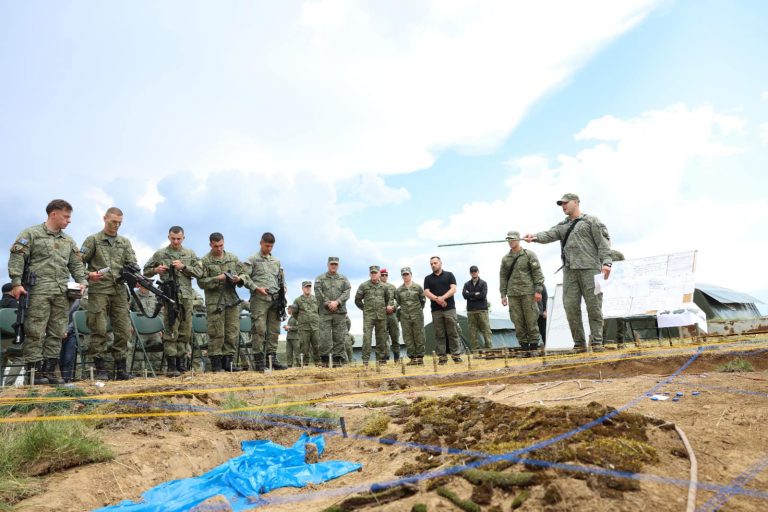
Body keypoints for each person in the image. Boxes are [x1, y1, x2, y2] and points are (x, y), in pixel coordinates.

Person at [8, 199, 87, 384]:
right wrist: (16, 283)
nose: (69, 221)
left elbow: (76, 264)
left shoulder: (68, 240)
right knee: (35, 331)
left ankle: (49, 371)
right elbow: (17, 257)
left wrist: (82, 281)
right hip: (37, 292)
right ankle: (35, 374)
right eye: (66, 217)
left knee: (58, 332)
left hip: (62, 293)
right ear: (54, 214)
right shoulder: (31, 234)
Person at [523, 193, 612, 352]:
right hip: (570, 272)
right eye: (561, 204)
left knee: (594, 307)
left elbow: (603, 243)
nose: (563, 206)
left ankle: (597, 342)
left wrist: (606, 263)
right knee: (570, 307)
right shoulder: (562, 225)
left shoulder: (591, 221)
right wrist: (534, 237)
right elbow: (549, 234)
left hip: (590, 269)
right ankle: (579, 344)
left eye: (566, 203)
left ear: (576, 202)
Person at [81, 206, 137, 380]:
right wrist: (88, 276)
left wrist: (133, 272)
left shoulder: (124, 242)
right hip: (99, 290)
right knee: (99, 328)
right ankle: (100, 367)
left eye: (120, 223)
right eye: (113, 222)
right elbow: (76, 263)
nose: (116, 225)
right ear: (104, 218)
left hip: (119, 290)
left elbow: (132, 263)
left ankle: (121, 368)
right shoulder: (93, 240)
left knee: (123, 330)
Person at [143, 226, 202, 376]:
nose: (176, 241)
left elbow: (200, 272)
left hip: (186, 297)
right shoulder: (161, 253)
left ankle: (181, 362)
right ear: (169, 237)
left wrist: (184, 267)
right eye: (173, 238)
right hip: (169, 296)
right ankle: (171, 364)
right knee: (170, 330)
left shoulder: (190, 253)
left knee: (185, 330)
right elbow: (145, 270)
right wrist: (156, 270)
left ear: (183, 238)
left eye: (179, 238)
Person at [197, 232, 247, 373]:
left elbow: (244, 274)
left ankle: (228, 362)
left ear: (224, 243)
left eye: (221, 245)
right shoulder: (205, 261)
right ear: (210, 244)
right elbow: (201, 282)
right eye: (215, 246)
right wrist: (217, 278)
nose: (219, 248)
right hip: (215, 302)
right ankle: (216, 364)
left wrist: (238, 279)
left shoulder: (232, 258)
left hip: (231, 300)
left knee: (232, 331)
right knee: (216, 332)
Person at [244, 232, 287, 371]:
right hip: (259, 300)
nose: (269, 249)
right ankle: (259, 361)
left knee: (274, 330)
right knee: (259, 330)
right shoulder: (252, 260)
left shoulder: (276, 261)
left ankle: (272, 358)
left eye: (271, 246)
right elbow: (244, 277)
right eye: (267, 245)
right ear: (261, 243)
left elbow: (281, 279)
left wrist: (283, 289)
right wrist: (256, 288)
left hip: (275, 300)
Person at [499, 231, 546, 354]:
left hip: (528, 293)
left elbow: (537, 274)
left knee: (531, 320)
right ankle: (524, 348)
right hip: (513, 294)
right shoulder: (505, 259)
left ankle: (534, 347)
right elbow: (503, 277)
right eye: (509, 239)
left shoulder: (529, 255)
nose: (511, 241)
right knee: (517, 321)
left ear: (519, 239)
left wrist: (538, 290)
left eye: (513, 239)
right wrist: (503, 295)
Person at [423, 256, 462, 364]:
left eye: (435, 263)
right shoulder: (428, 278)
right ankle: (442, 357)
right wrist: (437, 299)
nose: (433, 265)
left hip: (449, 308)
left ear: (440, 263)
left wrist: (443, 298)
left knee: (453, 332)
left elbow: (453, 289)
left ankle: (456, 356)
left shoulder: (449, 275)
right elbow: (426, 292)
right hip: (436, 310)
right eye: (431, 264)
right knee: (439, 334)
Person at [314, 256, 352, 367]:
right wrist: (328, 303)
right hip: (325, 312)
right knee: (324, 337)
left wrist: (338, 302)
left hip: (339, 312)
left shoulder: (344, 279)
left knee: (339, 337)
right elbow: (318, 292)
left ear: (338, 265)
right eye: (332, 264)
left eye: (335, 264)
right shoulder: (320, 278)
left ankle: (338, 360)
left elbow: (347, 291)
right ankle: (325, 360)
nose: (333, 266)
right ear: (328, 265)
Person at [355, 266, 393, 366]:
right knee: (367, 338)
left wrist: (385, 308)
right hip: (369, 317)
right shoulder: (363, 286)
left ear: (379, 274)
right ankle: (365, 361)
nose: (374, 274)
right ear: (369, 274)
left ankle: (381, 360)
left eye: (375, 273)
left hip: (381, 316)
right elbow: (357, 300)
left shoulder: (384, 287)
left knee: (381, 338)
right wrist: (365, 309)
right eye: (372, 273)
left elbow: (388, 299)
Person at [128, 283, 164, 375]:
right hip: (139, 329)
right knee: (137, 352)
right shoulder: (133, 295)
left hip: (154, 330)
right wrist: (130, 324)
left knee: (157, 352)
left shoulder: (155, 295)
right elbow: (126, 310)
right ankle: (137, 373)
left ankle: (157, 372)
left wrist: (160, 327)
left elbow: (161, 312)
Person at [395, 267, 426, 365]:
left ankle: (420, 358)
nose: (406, 276)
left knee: (419, 336)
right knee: (408, 337)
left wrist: (417, 310)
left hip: (417, 315)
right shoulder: (399, 290)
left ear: (411, 274)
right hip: (405, 317)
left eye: (407, 274)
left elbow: (423, 301)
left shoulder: (418, 287)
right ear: (402, 276)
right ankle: (413, 358)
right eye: (404, 275)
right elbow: (398, 303)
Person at [462, 265, 493, 351]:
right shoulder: (466, 284)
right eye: (472, 271)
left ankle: (489, 348)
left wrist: (470, 294)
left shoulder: (483, 283)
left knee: (486, 330)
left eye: (475, 271)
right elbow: (464, 295)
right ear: (470, 273)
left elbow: (483, 295)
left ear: (478, 272)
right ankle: (475, 350)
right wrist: (475, 294)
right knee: (472, 331)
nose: (474, 273)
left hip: (482, 310)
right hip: (471, 310)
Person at [292, 281, 321, 365]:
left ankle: (318, 363)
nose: (308, 288)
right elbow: (294, 313)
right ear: (302, 288)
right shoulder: (297, 300)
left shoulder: (316, 299)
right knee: (304, 347)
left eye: (309, 287)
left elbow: (319, 312)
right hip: (304, 328)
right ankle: (304, 365)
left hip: (315, 327)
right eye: (306, 287)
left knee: (317, 346)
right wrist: (302, 320)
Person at [1, 283, 24, 386]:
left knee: (2, 360)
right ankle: (8, 385)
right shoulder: (15, 305)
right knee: (20, 358)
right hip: (11, 340)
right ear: (12, 291)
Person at [603, 248, 626, 347]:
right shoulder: (598, 255)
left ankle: (620, 342)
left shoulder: (618, 255)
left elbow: (626, 268)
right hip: (605, 289)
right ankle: (601, 342)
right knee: (603, 317)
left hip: (618, 288)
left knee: (620, 316)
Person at [379, 268, 401, 362]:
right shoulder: (376, 287)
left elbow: (399, 300)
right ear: (379, 275)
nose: (384, 276)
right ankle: (385, 358)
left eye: (386, 275)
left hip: (392, 315)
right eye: (382, 274)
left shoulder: (392, 287)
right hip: (381, 315)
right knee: (383, 338)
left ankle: (396, 358)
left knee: (395, 336)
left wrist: (393, 307)